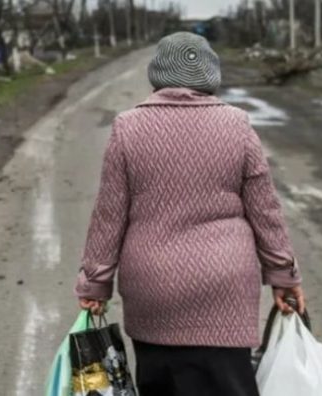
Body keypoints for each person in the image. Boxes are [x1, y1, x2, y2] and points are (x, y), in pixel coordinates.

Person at [74, 32, 305, 396]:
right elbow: (265, 211)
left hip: (153, 290)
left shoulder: (128, 127)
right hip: (223, 289)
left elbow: (109, 216)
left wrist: (95, 282)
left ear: (157, 74)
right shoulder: (237, 125)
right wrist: (283, 275)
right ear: (210, 76)